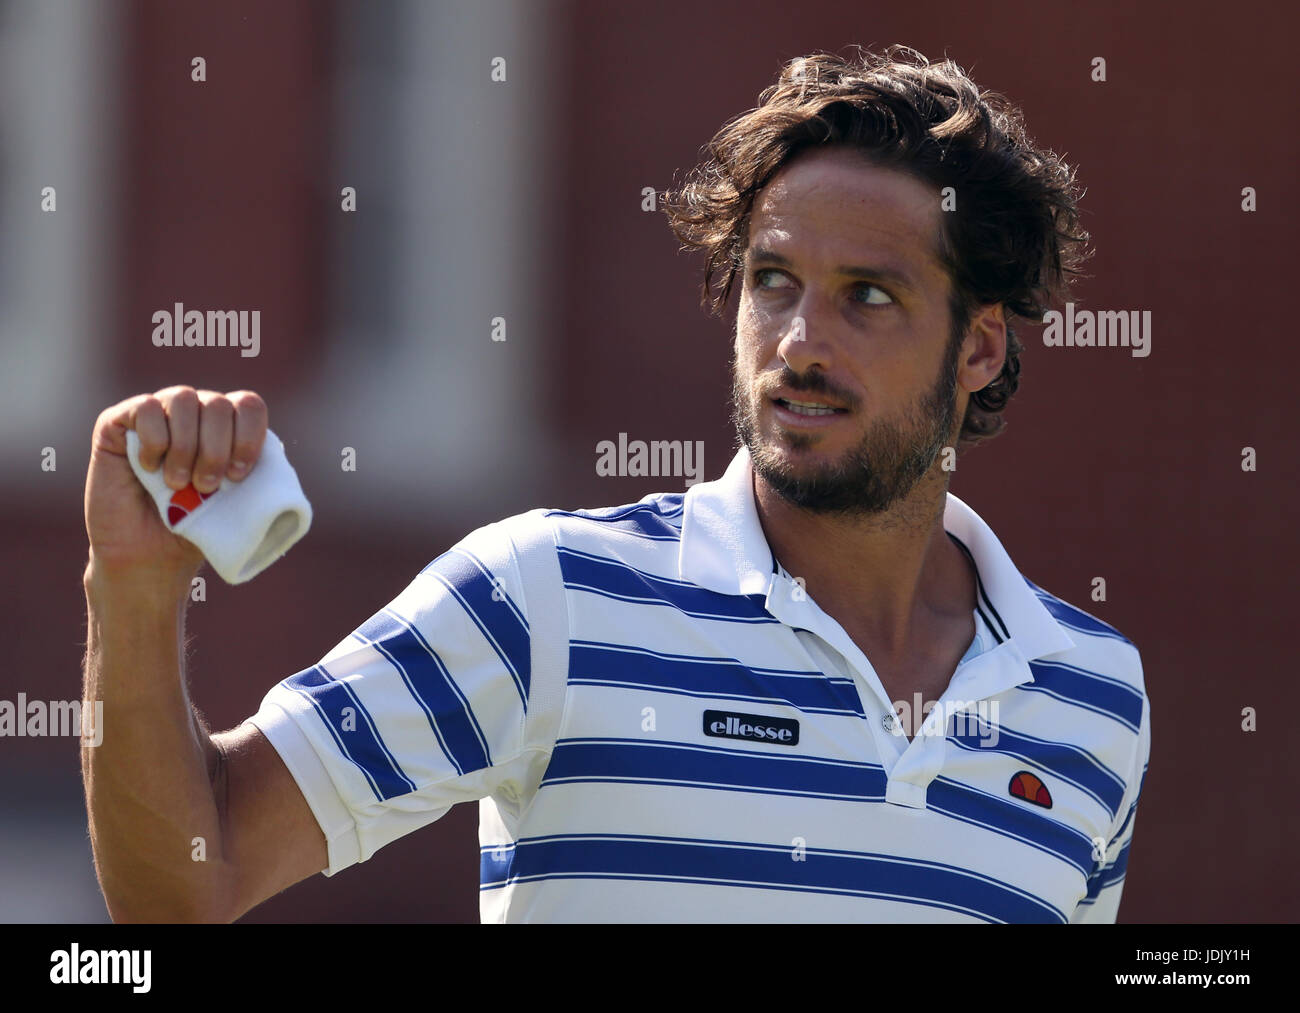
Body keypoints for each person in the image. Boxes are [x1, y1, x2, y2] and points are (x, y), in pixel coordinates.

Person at [82, 45, 1149, 923]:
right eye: (772, 282)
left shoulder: (1095, 698)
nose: (799, 342)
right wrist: (132, 588)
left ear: (978, 347)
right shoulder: (546, 594)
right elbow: (185, 878)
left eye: (867, 296)